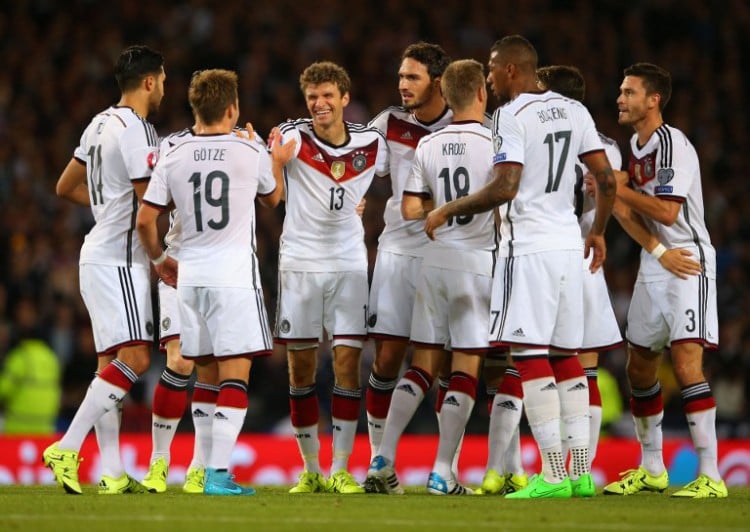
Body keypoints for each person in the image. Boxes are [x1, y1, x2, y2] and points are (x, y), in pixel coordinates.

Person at [425, 35, 616, 499]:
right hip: (569, 246)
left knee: (530, 358)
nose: (488, 77)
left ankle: (552, 476)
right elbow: (606, 177)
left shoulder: (511, 116)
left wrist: (448, 209)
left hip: (527, 248)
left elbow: (506, 186)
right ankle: (579, 474)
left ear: (512, 70)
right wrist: (598, 231)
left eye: (492, 68)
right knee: (568, 358)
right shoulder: (576, 111)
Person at [534, 65, 703, 477]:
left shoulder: (531, 138)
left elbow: (643, 203)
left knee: (528, 362)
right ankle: (580, 472)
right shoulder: (609, 145)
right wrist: (610, 231)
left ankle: (536, 470)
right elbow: (619, 204)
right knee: (586, 366)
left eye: (536, 92)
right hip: (586, 258)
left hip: (541, 259)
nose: (620, 99)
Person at [136, 68, 286, 496]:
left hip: (187, 275)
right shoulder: (248, 146)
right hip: (233, 276)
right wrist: (272, 156)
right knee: (232, 376)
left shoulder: (172, 152)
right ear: (234, 108)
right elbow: (272, 197)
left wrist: (160, 259)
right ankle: (215, 473)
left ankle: (202, 469)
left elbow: (145, 219)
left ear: (194, 107)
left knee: (202, 371)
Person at [369, 59, 495, 496]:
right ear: (480, 93)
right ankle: (443, 471)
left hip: (433, 260)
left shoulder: (430, 145)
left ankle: (381, 459)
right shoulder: (497, 141)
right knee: (464, 368)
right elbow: (506, 199)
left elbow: (408, 209)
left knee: (421, 366)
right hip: (475, 262)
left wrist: (440, 209)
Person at [44, 45, 165, 495]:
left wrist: (104, 208)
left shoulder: (98, 123)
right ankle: (67, 446)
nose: (165, 89)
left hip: (95, 253)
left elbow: (63, 186)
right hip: (118, 259)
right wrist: (159, 257)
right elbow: (148, 204)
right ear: (150, 81)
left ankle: (112, 473)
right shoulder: (138, 130)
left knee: (108, 366)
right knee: (134, 358)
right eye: (164, 80)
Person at [602, 63, 727, 498]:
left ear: (653, 99)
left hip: (689, 260)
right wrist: (656, 251)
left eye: (629, 92)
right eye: (620, 91)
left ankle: (711, 476)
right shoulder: (631, 149)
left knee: (686, 363)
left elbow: (668, 212)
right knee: (639, 366)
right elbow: (623, 213)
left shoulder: (671, 144)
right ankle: (652, 467)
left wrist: (617, 189)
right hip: (657, 260)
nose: (620, 98)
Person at [272, 61, 388, 494]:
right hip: (300, 262)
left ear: (344, 96)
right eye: (312, 98)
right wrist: (276, 167)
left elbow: (409, 173)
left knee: (346, 365)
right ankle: (310, 469)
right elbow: (270, 197)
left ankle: (340, 468)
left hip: (348, 264)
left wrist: (366, 208)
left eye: (326, 96)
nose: (319, 104)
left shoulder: (372, 143)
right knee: (300, 368)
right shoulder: (290, 136)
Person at [364, 42, 461, 495]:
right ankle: (377, 465)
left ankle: (448, 466)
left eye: (413, 78)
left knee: (441, 364)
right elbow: (359, 167)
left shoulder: (462, 126)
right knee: (387, 358)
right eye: (401, 77)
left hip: (445, 253)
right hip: (397, 253)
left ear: (437, 82)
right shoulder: (388, 124)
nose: (402, 85)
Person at [0, 296, 61, 435]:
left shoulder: (20, 357)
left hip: (17, 430)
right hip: (45, 430)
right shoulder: (51, 357)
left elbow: (2, 390)